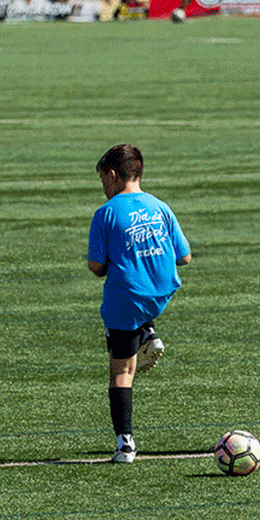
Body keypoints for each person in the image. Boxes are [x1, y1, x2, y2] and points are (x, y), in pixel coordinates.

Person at [87, 144, 191, 463]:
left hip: (127, 297)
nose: (104, 187)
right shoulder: (161, 207)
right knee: (139, 305)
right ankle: (148, 330)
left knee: (122, 371)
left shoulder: (106, 212)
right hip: (162, 291)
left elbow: (96, 266)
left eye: (104, 179)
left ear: (114, 175)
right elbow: (184, 256)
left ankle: (125, 443)